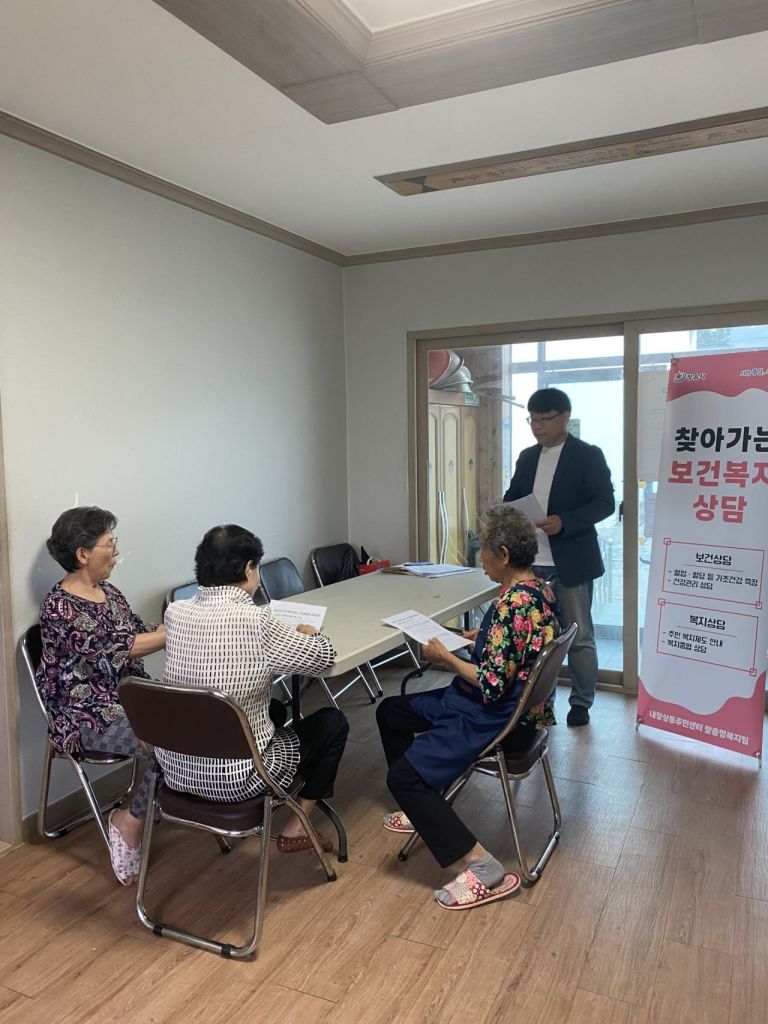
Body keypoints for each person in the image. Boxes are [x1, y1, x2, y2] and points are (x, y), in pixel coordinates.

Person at [376, 505, 559, 910]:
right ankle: (425, 809)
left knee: (404, 778)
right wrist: (484, 638)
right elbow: (517, 648)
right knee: (391, 713)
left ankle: (483, 867)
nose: (481, 560)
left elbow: (492, 684)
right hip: (517, 709)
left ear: (504, 554)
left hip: (491, 715)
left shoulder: (509, 606)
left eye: (484, 553)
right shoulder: (539, 592)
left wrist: (445, 657)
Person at [158, 525, 349, 852]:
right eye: (257, 568)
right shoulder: (257, 620)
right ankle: (296, 827)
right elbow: (322, 658)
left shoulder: (175, 612)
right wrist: (309, 635)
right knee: (333, 723)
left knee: (271, 708)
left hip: (177, 770)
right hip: (239, 779)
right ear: (248, 568)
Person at [37, 506, 167, 885]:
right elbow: (119, 649)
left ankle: (153, 800)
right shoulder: (59, 608)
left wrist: (170, 623)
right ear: (82, 554)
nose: (116, 551)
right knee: (171, 743)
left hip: (130, 700)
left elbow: (136, 630)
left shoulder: (108, 592)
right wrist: (173, 631)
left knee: (194, 724)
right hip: (87, 716)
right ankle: (129, 821)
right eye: (109, 544)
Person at [503, 387, 614, 726]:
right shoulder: (527, 457)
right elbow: (512, 496)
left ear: (565, 417)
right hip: (531, 561)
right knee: (532, 636)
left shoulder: (587, 455)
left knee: (578, 637)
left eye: (544, 420)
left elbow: (605, 503)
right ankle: (534, 703)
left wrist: (565, 521)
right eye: (532, 420)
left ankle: (581, 703)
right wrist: (508, 511)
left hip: (571, 560)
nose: (537, 427)